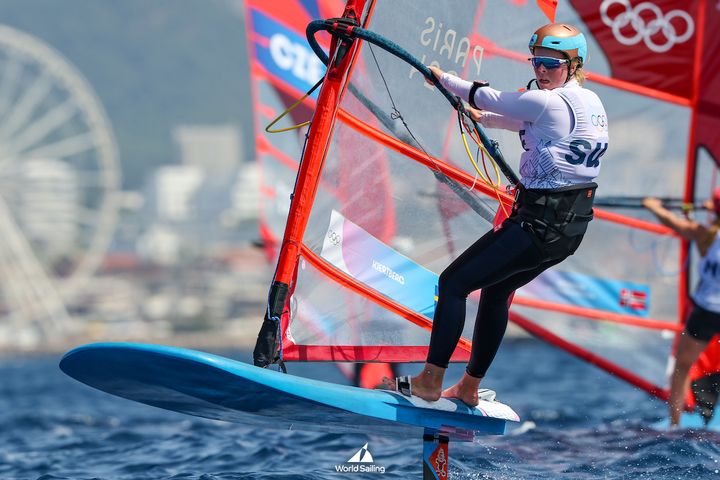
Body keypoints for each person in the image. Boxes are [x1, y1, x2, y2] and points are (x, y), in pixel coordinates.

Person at [382, 23, 609, 406]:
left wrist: (441, 78)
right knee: (497, 289)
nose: (541, 70)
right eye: (536, 61)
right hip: (568, 230)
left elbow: (490, 97)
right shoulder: (590, 103)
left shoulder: (549, 101)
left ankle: (430, 381)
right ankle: (469, 387)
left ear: (574, 64)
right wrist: (480, 119)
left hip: (539, 223)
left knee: (453, 283)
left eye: (551, 64)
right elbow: (519, 120)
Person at [643, 188, 720, 426]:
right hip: (708, 309)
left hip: (707, 311)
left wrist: (652, 205)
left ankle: (675, 423)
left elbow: (672, 222)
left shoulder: (704, 234)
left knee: (682, 365)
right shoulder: (705, 232)